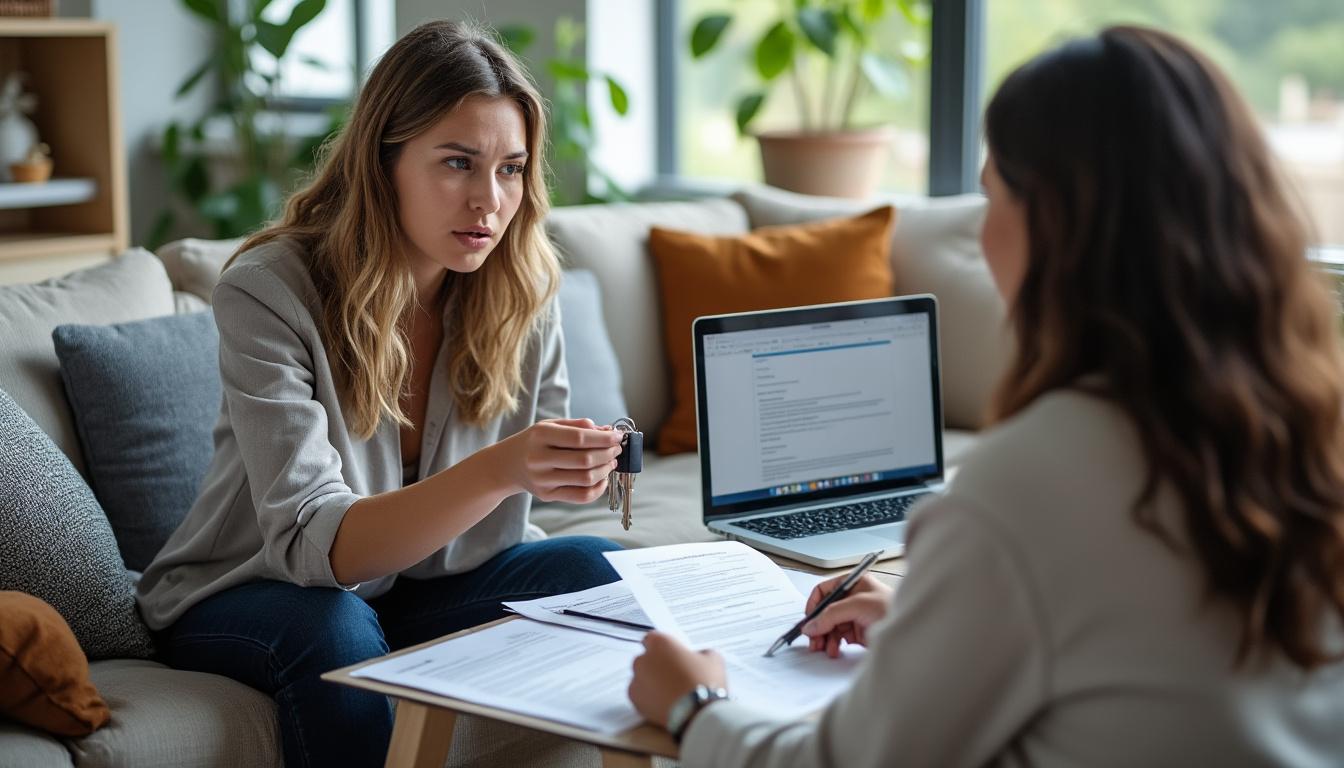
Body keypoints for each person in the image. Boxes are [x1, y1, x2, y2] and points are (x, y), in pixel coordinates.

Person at [627, 25, 1344, 766]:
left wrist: (695, 705)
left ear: (1057, 225)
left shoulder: (1032, 479)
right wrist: (932, 620)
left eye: (990, 194)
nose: (982, 229)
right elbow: (1146, 639)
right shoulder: (1295, 430)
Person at [137, 20, 627, 767]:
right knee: (337, 631)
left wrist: (575, 465)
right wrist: (503, 468)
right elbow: (316, 548)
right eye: (458, 163)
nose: (489, 202)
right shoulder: (269, 292)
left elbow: (535, 504)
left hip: (422, 583)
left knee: (603, 575)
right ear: (383, 161)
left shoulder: (523, 288)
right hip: (254, 589)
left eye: (511, 169)